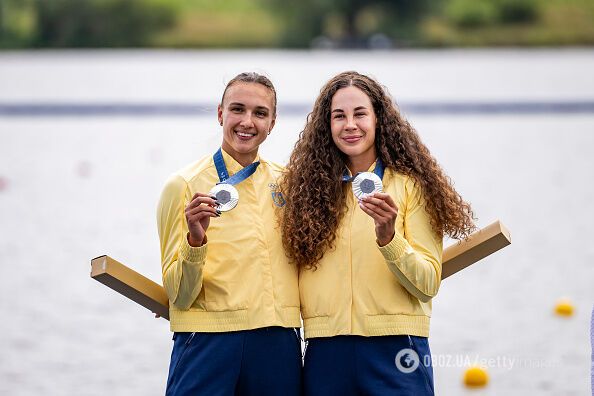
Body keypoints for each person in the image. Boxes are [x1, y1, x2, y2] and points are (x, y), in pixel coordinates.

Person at [279, 71, 475, 395]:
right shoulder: (307, 192)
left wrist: (389, 238)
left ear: (378, 119)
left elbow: (428, 284)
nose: (350, 125)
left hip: (397, 350)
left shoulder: (411, 186)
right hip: (326, 352)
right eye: (339, 116)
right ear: (326, 125)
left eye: (360, 114)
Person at [157, 72, 301, 396]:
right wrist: (196, 241)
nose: (247, 122)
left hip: (276, 340)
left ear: (273, 123)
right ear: (220, 113)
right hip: (207, 342)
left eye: (260, 113)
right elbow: (179, 296)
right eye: (238, 109)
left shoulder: (290, 184)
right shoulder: (181, 185)